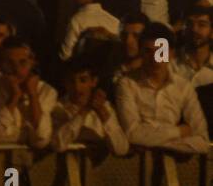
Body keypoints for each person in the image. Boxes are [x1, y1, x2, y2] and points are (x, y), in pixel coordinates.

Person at [115, 23, 210, 154]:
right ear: (141, 52)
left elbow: (203, 141)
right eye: (148, 51)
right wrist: (179, 131)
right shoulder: (127, 84)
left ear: (171, 53)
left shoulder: (184, 87)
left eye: (161, 51)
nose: (155, 58)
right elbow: (132, 134)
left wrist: (153, 143)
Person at [0, 37, 55, 147]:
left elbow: (41, 139)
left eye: (23, 62)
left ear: (32, 62)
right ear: (0, 64)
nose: (17, 69)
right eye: (10, 63)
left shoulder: (46, 91)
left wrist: (33, 95)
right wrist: (14, 97)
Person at [51, 57, 129, 156]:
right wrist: (84, 111)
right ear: (65, 83)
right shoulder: (57, 108)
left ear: (94, 81)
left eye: (83, 80)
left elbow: (121, 149)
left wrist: (101, 111)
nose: (77, 87)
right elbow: (58, 145)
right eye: (71, 81)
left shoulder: (105, 107)